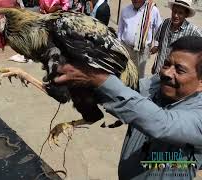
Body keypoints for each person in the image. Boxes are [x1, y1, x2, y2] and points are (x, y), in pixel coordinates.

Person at [53, 36, 202, 179]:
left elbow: (162, 124)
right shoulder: (158, 84)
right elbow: (127, 92)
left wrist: (98, 78)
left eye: (180, 70)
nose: (167, 73)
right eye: (167, 64)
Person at [151, 0, 202, 75]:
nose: (176, 15)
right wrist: (155, 64)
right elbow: (160, 42)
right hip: (158, 72)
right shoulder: (165, 23)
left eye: (180, 13)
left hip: (175, 78)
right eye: (174, 11)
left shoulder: (192, 30)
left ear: (186, 15)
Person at [118, 0, 162, 78]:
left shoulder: (153, 11)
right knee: (124, 72)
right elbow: (120, 30)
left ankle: (137, 89)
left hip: (142, 51)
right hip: (126, 48)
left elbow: (159, 29)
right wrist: (119, 45)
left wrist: (156, 45)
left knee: (139, 75)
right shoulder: (125, 10)